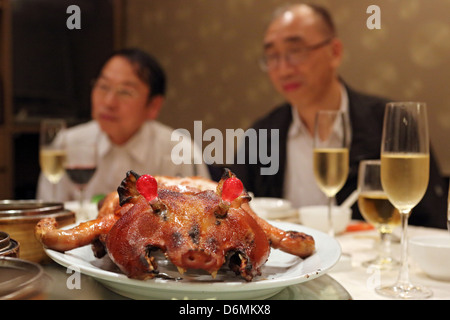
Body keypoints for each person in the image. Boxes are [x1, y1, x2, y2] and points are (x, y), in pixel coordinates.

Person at [232, 3, 448, 228]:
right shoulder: (262, 135)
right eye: (272, 56)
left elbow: (430, 222)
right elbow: (235, 216)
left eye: (295, 51)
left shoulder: (389, 124)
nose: (284, 69)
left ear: (334, 52)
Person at [37, 48, 209, 202]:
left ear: (153, 106)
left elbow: (201, 211)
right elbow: (49, 211)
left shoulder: (179, 151)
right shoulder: (67, 143)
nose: (109, 102)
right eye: (103, 86)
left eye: (125, 92)